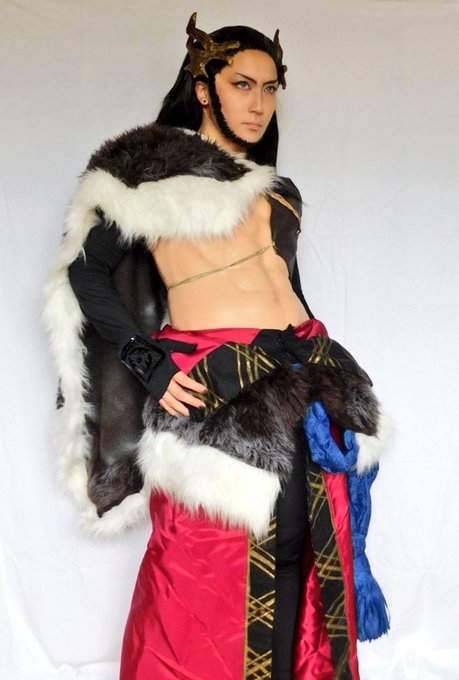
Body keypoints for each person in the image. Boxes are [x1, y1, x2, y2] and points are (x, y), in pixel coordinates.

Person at [45, 13, 390, 680]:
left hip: (303, 372)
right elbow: (86, 272)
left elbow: (285, 287)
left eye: (270, 88)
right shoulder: (143, 171)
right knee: (202, 566)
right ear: (204, 88)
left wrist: (330, 371)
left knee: (302, 549)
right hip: (216, 382)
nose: (259, 104)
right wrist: (146, 359)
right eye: (242, 84)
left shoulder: (277, 192)